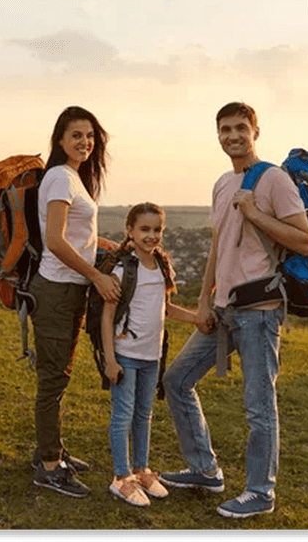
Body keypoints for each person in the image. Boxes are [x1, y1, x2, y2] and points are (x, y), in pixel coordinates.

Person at [159, 102, 308, 518]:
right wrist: (205, 298)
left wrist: (255, 213)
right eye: (225, 129)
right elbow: (218, 242)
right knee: (176, 380)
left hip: (259, 312)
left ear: (256, 132)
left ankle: (261, 492)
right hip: (224, 310)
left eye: (241, 128)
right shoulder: (222, 183)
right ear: (218, 135)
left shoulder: (274, 181)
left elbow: (305, 241)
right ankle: (205, 469)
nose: (233, 136)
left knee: (259, 406)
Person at [29, 106, 121, 497]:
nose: (85, 142)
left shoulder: (74, 178)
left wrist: (105, 245)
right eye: (76, 136)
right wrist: (96, 275)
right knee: (52, 379)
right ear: (60, 140)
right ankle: (48, 466)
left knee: (60, 374)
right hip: (56, 289)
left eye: (90, 136)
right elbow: (54, 240)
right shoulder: (59, 178)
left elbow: (73, 234)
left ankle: (51, 452)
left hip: (70, 287)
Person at [101, 203, 198, 507]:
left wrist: (196, 319)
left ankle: (142, 470)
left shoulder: (163, 267)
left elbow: (165, 309)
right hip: (126, 355)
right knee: (123, 415)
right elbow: (107, 317)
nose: (151, 235)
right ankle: (121, 477)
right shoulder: (122, 270)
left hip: (151, 356)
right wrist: (110, 359)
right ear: (129, 230)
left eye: (157, 230)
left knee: (144, 414)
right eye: (144, 229)